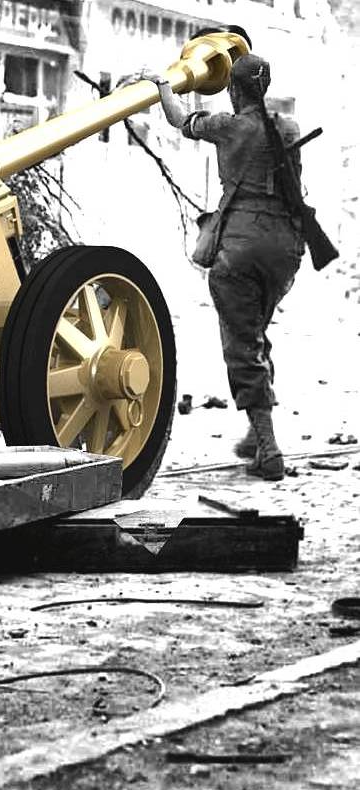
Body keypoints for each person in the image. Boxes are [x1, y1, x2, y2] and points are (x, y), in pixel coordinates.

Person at [143, 52, 305, 481]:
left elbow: (179, 118)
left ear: (233, 90)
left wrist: (162, 85)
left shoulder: (228, 127)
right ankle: (256, 433)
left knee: (242, 344)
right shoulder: (289, 128)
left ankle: (268, 449)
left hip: (240, 249)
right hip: (285, 249)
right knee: (255, 333)